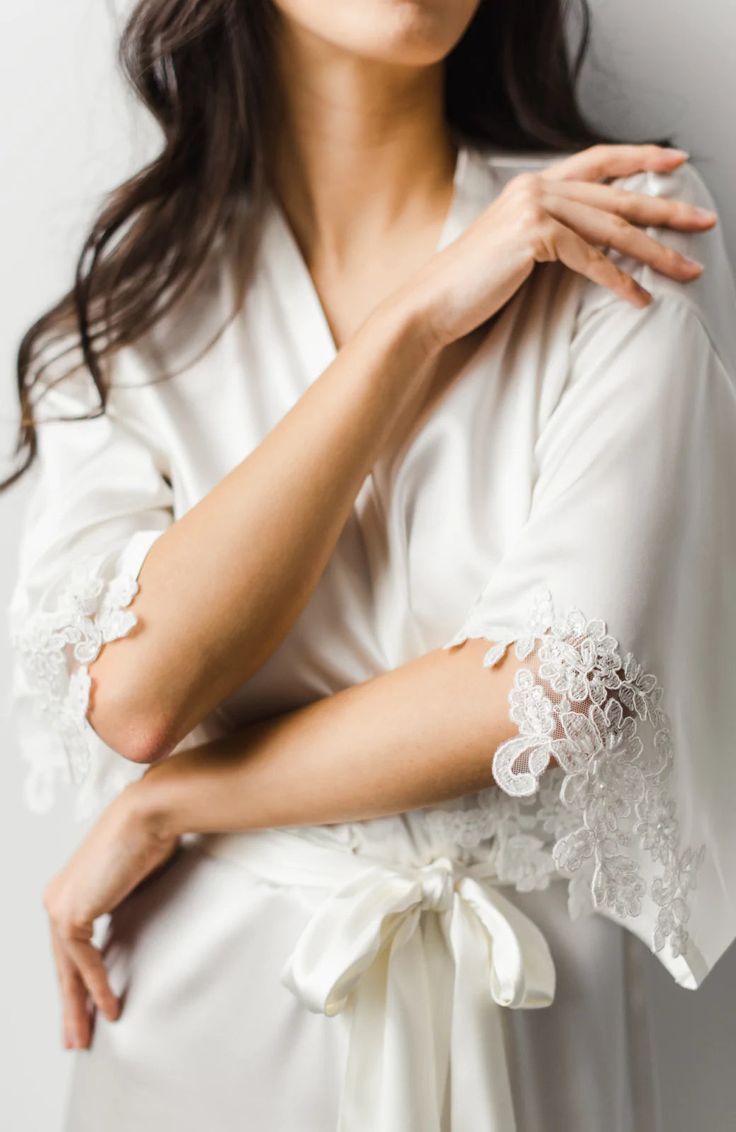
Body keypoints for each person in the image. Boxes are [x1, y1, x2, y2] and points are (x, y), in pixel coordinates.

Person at [4, 2, 736, 1129]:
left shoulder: (620, 225)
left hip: (528, 1025)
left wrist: (178, 803)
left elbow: (555, 687)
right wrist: (411, 328)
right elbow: (139, 696)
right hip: (203, 1035)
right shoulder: (120, 329)